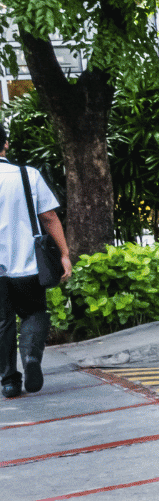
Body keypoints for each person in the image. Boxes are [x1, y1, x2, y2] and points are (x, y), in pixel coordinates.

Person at [0, 121, 70, 399]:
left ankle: (9, 382)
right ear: (6, 144)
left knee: (2, 322)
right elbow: (49, 217)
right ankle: (30, 356)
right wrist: (64, 254)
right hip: (28, 262)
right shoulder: (27, 175)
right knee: (34, 313)